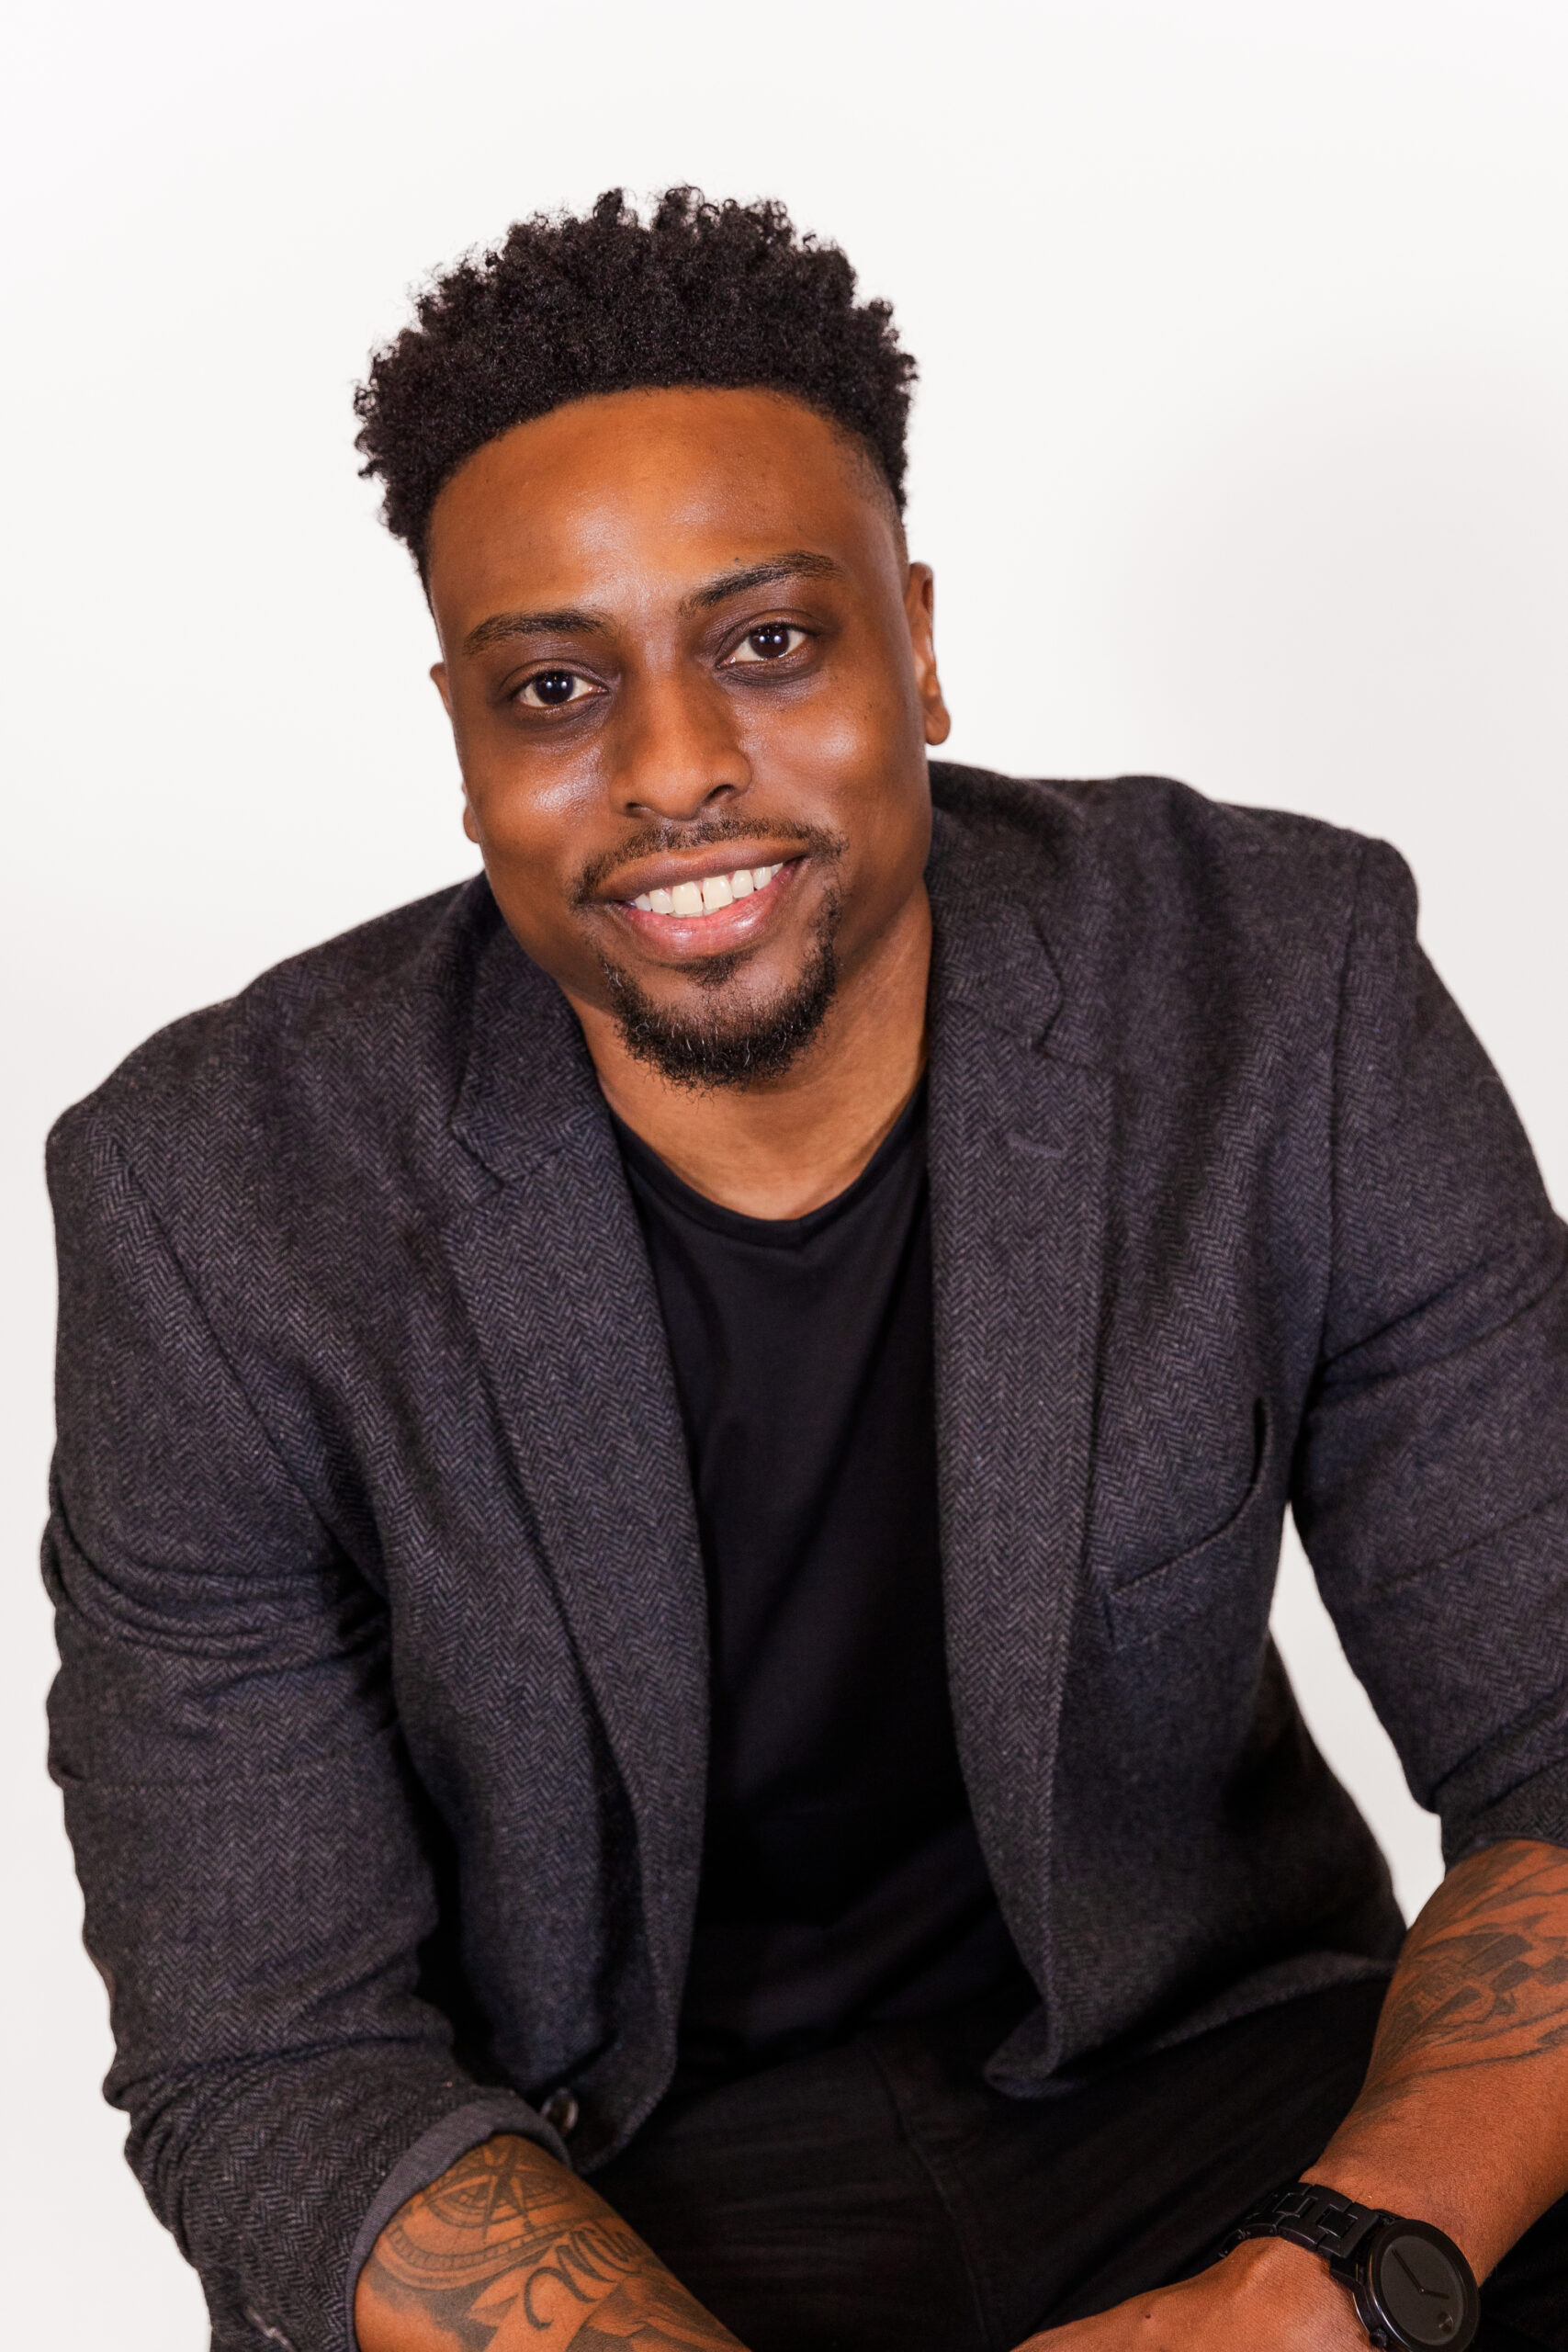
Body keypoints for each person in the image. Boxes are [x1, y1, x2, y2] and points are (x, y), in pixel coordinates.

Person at [43, 188, 1568, 2352]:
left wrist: (1337, 2275)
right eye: (555, 685)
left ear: (915, 641)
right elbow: (271, 2060)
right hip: (595, 2181)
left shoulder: (1273, 990)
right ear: (464, 738)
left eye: (767, 641)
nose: (671, 770)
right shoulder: (212, 1204)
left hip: (1208, 2099)